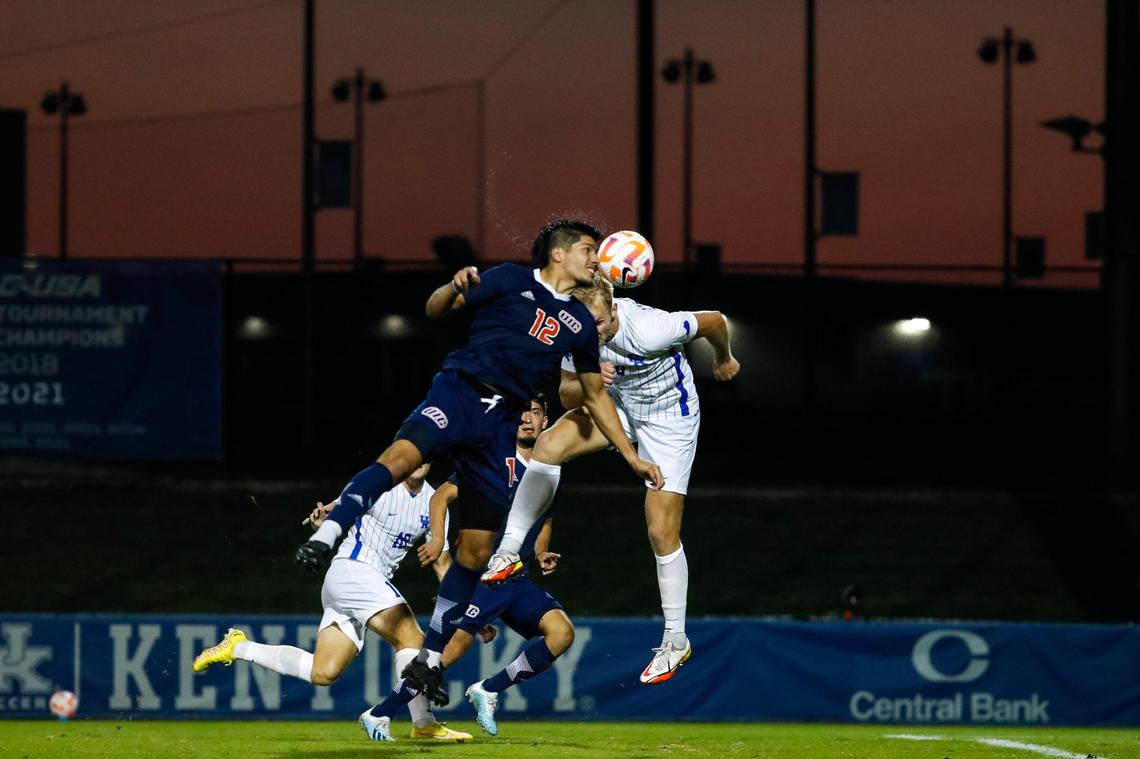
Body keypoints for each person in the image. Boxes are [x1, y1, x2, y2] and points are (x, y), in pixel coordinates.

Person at [293, 219, 664, 707]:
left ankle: (429, 653)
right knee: (402, 458)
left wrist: (632, 455)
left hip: (499, 427)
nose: (596, 258)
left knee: (476, 551)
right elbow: (434, 308)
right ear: (558, 253)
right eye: (589, 249)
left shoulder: (578, 324)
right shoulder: (510, 279)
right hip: (462, 391)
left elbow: (594, 395)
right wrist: (452, 287)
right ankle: (330, 531)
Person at [482, 272, 740, 685]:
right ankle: (509, 551)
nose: (593, 332)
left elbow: (714, 320)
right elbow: (566, 392)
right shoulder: (577, 332)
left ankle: (676, 640)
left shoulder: (654, 329)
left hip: (669, 420)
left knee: (660, 531)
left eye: (600, 324)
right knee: (547, 446)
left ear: (614, 308)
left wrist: (722, 358)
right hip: (617, 409)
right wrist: (589, 384)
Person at [192, 463, 472, 742]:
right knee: (411, 638)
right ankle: (423, 723)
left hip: (355, 585)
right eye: (416, 455)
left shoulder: (435, 502)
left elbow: (441, 563)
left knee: (324, 672)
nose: (420, 462)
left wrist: (468, 607)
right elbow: (340, 508)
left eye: (426, 457)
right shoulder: (382, 486)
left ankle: (239, 646)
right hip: (354, 570)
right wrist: (324, 520)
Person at [362, 395, 572, 737]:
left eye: (535, 412)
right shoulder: (494, 461)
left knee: (562, 633)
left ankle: (488, 690)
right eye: (522, 412)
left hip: (518, 579)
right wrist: (437, 540)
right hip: (482, 575)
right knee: (450, 650)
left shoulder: (550, 471)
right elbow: (440, 496)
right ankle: (380, 713)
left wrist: (542, 552)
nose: (528, 418)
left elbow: (543, 520)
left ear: (546, 421)